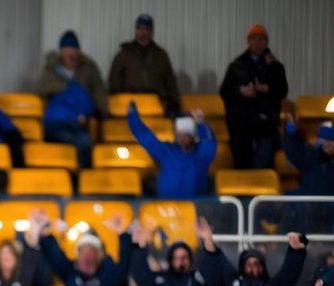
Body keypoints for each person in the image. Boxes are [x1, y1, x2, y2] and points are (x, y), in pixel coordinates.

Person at [220, 24, 288, 170]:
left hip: (266, 124)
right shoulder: (237, 65)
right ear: (248, 41)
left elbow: (283, 91)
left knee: (263, 166)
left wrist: (267, 88)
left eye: (261, 39)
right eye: (254, 39)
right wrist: (241, 91)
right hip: (241, 125)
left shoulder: (275, 67)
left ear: (266, 42)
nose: (257, 42)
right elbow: (224, 91)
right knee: (242, 166)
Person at [36, 30, 107, 169]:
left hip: (78, 122)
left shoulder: (89, 68)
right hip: (56, 123)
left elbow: (98, 92)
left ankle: (82, 180)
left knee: (84, 141)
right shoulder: (50, 70)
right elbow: (41, 91)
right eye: (67, 50)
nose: (71, 54)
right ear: (61, 52)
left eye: (74, 50)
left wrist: (102, 113)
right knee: (82, 141)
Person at [127, 103, 216, 198]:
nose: (183, 138)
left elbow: (209, 141)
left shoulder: (202, 155)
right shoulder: (167, 151)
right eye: (180, 134)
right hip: (166, 209)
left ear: (193, 136)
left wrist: (200, 123)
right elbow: (146, 138)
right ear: (176, 135)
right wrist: (132, 117)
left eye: (187, 134)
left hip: (194, 209)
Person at [106, 13, 182, 115]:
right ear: (136, 31)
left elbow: (170, 83)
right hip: (130, 108)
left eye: (147, 29)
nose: (144, 33)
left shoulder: (161, 55)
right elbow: (114, 83)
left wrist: (174, 106)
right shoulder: (123, 55)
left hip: (157, 108)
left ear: (152, 32)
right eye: (140, 29)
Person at [282, 116, 334, 196]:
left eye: (330, 141)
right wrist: (290, 134)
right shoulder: (310, 156)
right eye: (324, 140)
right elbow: (294, 152)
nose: (327, 144)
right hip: (309, 202)